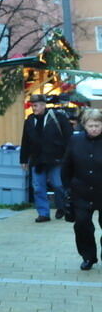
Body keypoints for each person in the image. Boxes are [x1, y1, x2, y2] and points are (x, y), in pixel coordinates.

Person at [21, 94, 73, 222]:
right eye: (32, 105)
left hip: (56, 158)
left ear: (44, 105)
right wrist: (23, 159)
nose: (34, 108)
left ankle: (62, 207)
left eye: (36, 105)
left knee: (58, 185)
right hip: (37, 160)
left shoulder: (57, 117)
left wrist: (69, 156)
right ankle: (43, 213)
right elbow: (25, 141)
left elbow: (69, 136)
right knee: (38, 187)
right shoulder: (29, 120)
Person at [61, 108, 102, 270]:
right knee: (82, 225)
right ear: (84, 125)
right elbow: (67, 165)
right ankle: (88, 256)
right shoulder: (75, 141)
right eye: (91, 125)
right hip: (81, 192)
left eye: (98, 125)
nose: (94, 129)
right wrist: (67, 188)